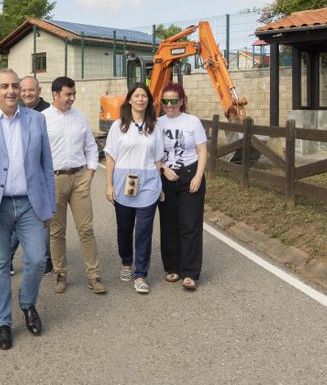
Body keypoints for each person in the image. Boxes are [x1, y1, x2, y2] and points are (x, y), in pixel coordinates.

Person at [0, 68, 55, 350]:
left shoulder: (37, 119)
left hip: (30, 204)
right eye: (4, 86)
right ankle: (3, 322)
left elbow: (46, 165)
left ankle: (27, 303)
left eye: (15, 85)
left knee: (38, 259)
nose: (11, 91)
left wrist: (50, 206)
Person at [41, 77, 105, 295]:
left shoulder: (80, 117)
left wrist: (90, 172)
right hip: (54, 180)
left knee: (86, 229)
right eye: (68, 94)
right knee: (57, 231)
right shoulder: (42, 119)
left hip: (79, 178)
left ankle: (93, 276)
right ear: (55, 94)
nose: (72, 98)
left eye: (74, 94)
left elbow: (91, 146)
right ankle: (60, 273)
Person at [103, 83, 164, 294]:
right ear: (129, 100)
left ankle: (140, 275)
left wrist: (159, 186)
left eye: (144, 96)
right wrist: (109, 185)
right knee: (125, 228)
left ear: (148, 101)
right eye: (136, 96)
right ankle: (126, 262)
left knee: (144, 231)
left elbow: (158, 159)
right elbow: (110, 157)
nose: (140, 99)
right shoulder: (118, 126)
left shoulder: (155, 127)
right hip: (123, 182)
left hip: (148, 183)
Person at [157, 82, 208, 291]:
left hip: (190, 175)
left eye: (174, 101)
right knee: (169, 225)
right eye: (165, 101)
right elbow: (152, 153)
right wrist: (162, 168)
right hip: (166, 177)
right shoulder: (157, 123)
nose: (169, 105)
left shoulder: (192, 121)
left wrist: (198, 176)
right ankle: (173, 267)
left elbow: (202, 150)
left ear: (181, 101)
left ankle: (190, 272)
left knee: (190, 225)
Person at [17, 76, 53, 274]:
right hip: (21, 175)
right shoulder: (17, 112)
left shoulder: (48, 113)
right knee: (17, 218)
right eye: (23, 90)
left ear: (39, 91)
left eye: (31, 90)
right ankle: (6, 258)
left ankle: (46, 260)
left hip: (42, 174)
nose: (27, 94)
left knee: (42, 218)